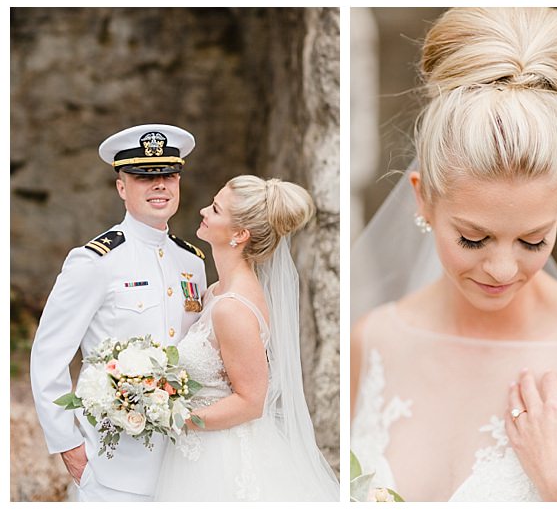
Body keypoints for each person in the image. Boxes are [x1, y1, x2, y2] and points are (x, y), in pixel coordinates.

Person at [350, 8, 557, 502]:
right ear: (422, 198)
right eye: (473, 239)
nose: (503, 270)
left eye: (532, 240)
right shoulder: (372, 341)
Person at [30, 124, 207, 501]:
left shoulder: (192, 260)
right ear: (121, 186)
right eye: (144, 176)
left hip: (187, 461)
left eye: (168, 174)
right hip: (114, 469)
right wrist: (69, 446)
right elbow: (48, 357)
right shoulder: (94, 261)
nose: (160, 184)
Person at [154, 175, 340, 501]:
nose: (203, 211)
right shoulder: (216, 292)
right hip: (202, 446)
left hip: (222, 457)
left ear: (239, 234)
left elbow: (252, 402)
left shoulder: (232, 308)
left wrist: (177, 418)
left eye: (214, 209)